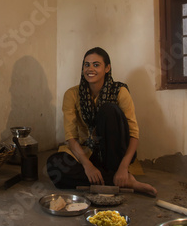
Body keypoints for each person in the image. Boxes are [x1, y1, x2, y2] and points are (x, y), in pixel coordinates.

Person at [46, 47, 157, 196]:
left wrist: (123, 167)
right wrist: (88, 165)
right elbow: (71, 137)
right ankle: (124, 181)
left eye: (96, 65)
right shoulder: (72, 94)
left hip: (114, 155)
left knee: (108, 110)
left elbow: (133, 133)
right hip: (88, 153)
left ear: (107, 68)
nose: (90, 69)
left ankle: (117, 174)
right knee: (54, 165)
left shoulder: (119, 91)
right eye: (87, 64)